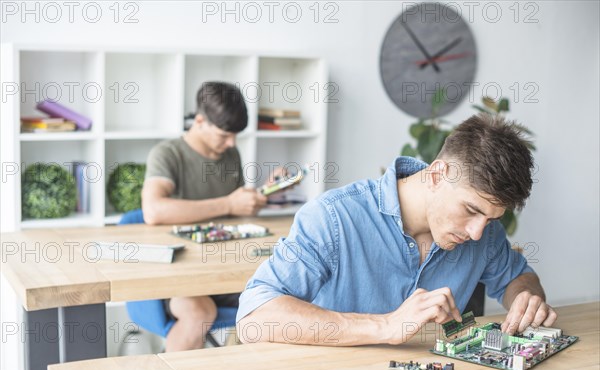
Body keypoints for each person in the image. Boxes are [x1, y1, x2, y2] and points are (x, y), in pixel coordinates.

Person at [236, 114, 557, 346]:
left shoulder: (484, 233)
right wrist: (385, 326)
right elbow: (254, 315)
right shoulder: (332, 217)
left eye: (491, 219)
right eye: (471, 210)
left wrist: (526, 298)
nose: (476, 233)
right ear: (436, 176)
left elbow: (519, 277)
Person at [141, 81, 267, 351]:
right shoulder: (168, 153)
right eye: (224, 135)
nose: (231, 143)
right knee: (199, 312)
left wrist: (257, 199)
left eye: (235, 136)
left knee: (275, 296)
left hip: (226, 269)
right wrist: (229, 204)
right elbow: (153, 211)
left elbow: (234, 217)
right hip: (178, 278)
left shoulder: (230, 154)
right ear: (199, 121)